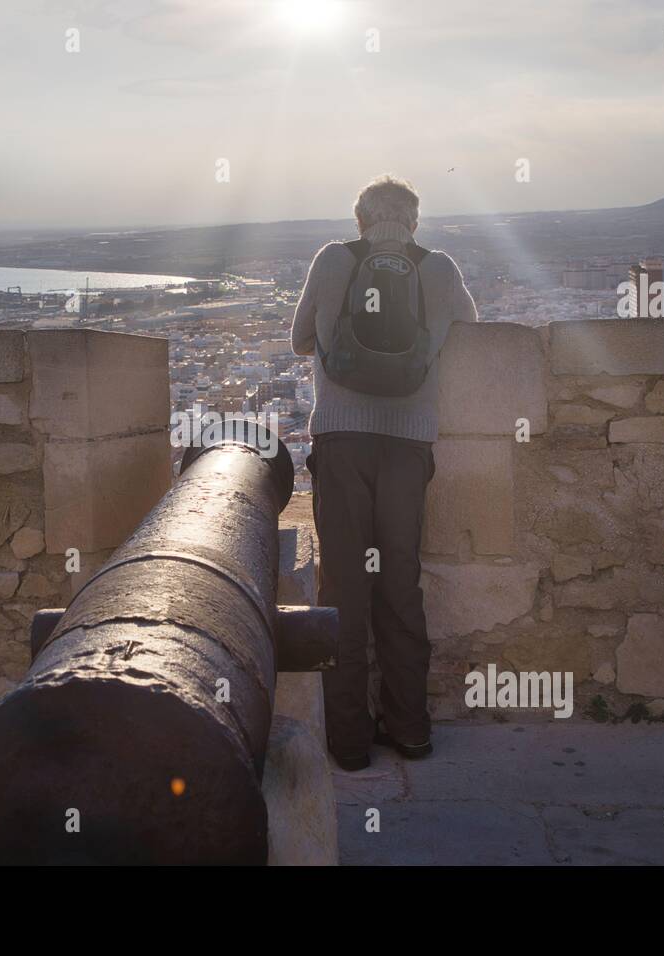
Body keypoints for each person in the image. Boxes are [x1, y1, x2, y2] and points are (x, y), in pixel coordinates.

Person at [290, 174, 477, 771]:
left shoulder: (333, 260)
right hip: (407, 446)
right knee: (400, 585)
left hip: (342, 442)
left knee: (343, 588)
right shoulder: (439, 268)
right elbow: (471, 334)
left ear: (360, 221)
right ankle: (411, 729)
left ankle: (348, 742)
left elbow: (299, 340)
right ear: (415, 222)